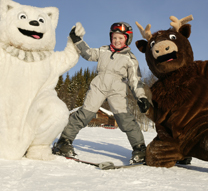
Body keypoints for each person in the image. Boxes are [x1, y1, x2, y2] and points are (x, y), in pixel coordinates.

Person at [52, 22, 150, 164]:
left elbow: (135, 80)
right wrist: (77, 40)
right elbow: (88, 54)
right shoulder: (104, 50)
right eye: (114, 37)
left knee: (125, 119)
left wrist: (141, 97)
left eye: (121, 38)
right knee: (85, 114)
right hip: (99, 84)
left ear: (127, 39)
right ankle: (64, 141)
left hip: (118, 89)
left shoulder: (131, 59)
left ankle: (139, 148)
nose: (117, 41)